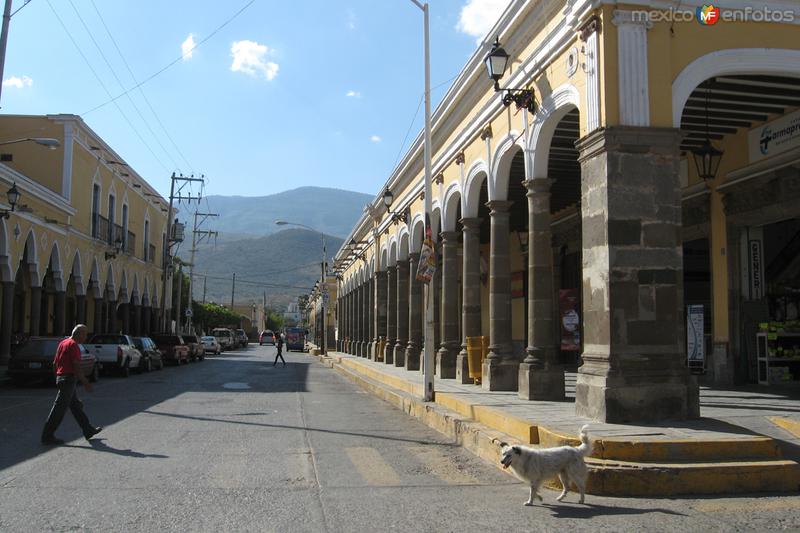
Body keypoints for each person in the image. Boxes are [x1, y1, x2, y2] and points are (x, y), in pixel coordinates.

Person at [41, 324, 102, 445]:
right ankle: (47, 436)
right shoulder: (74, 345)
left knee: (75, 406)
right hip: (68, 379)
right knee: (59, 409)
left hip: (62, 378)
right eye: (84, 334)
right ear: (78, 333)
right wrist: (85, 382)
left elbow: (55, 363)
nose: (85, 337)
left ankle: (88, 429)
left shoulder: (63, 343)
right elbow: (76, 366)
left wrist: (57, 378)